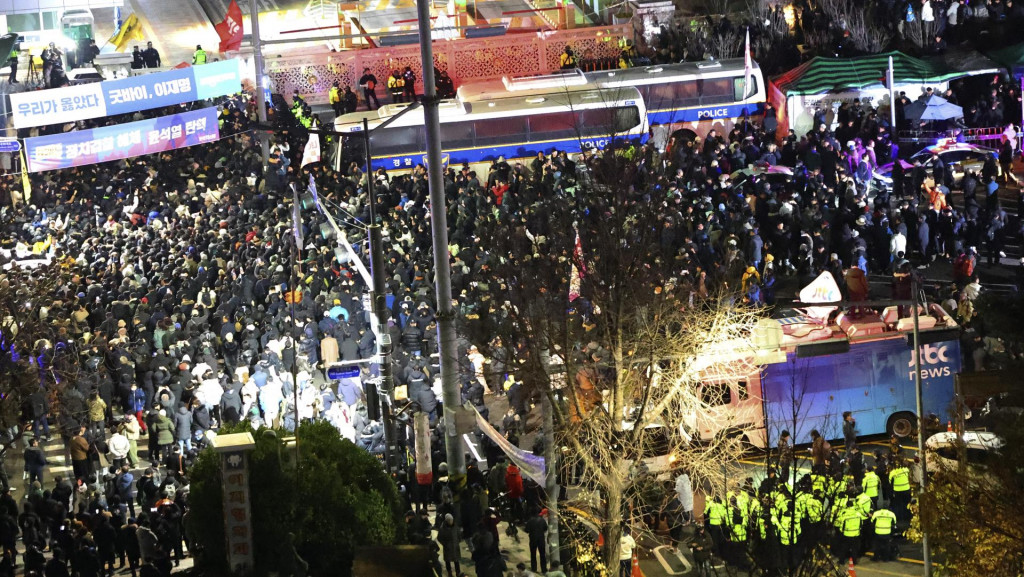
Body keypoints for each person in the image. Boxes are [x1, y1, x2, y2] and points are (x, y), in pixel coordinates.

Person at [525, 508, 548, 573]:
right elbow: (545, 529)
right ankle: (543, 569)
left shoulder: (530, 520)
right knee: (542, 555)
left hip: (532, 539)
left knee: (533, 554)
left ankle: (534, 568)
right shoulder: (542, 520)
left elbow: (526, 530)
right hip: (541, 539)